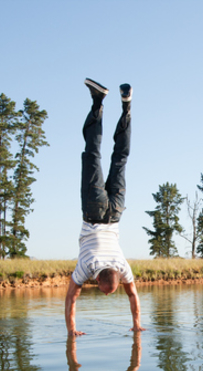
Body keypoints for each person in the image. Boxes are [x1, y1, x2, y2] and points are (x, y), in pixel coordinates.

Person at [65, 78, 144, 336]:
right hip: (94, 211)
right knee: (92, 154)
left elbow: (133, 295)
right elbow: (71, 298)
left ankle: (126, 107)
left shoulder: (123, 266)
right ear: (97, 279)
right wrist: (71, 331)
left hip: (116, 212)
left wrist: (136, 325)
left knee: (120, 159)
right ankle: (98, 101)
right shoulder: (87, 265)